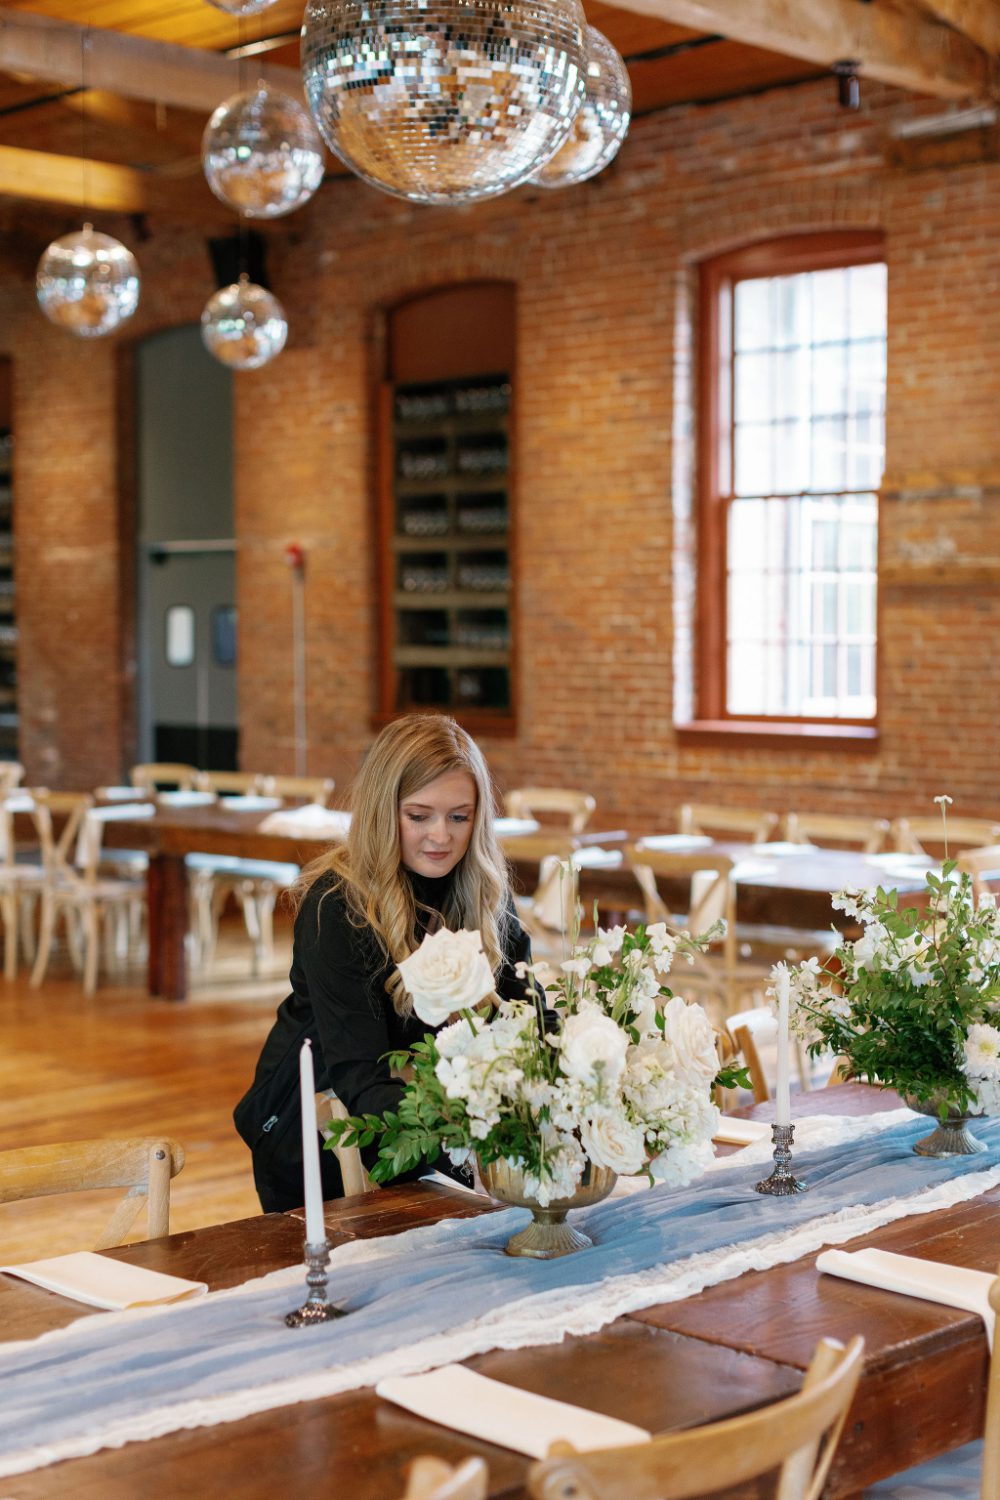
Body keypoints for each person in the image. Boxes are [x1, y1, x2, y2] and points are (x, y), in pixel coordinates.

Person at [235, 713, 532, 1213]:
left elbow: (524, 1019)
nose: (442, 837)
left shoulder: (484, 894)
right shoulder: (338, 905)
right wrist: (476, 1138)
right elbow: (359, 1078)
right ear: (381, 810)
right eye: (419, 816)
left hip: (434, 1134)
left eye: (460, 817)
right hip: (316, 1132)